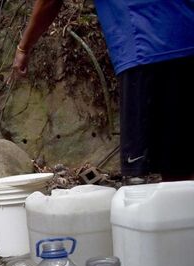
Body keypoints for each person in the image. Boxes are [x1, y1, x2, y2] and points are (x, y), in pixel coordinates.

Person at [10, 0, 194, 182]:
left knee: (139, 177)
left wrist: (23, 47)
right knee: (181, 167)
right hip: (185, 36)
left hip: (146, 48)